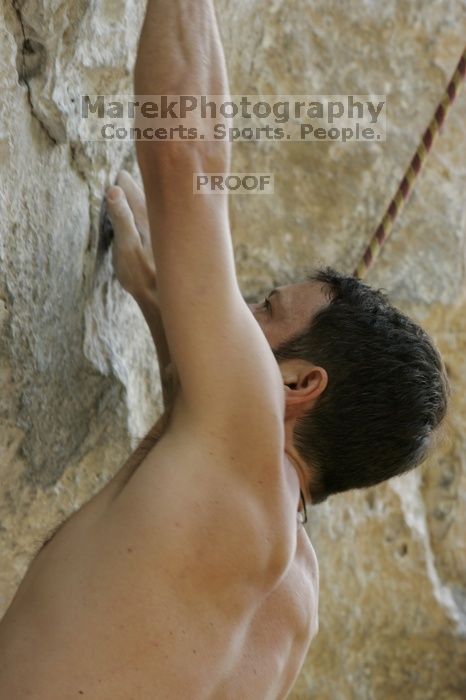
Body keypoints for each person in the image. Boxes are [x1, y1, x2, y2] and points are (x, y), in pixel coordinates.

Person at [0, 2, 450, 698]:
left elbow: (188, 159)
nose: (238, 315)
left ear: (298, 385)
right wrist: (157, 304)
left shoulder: (245, 451)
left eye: (264, 310)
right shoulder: (292, 603)